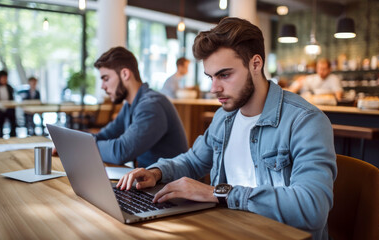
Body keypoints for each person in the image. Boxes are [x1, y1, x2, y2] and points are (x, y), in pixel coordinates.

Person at [117, 18, 337, 239]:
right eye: (211, 77)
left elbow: (312, 208)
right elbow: (194, 161)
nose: (214, 88)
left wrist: (217, 193)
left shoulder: (305, 122)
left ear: (256, 64)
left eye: (224, 75)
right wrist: (156, 172)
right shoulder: (224, 117)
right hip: (226, 229)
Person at [55, 46, 188, 168]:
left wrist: (79, 147)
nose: (103, 86)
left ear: (125, 74)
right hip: (149, 183)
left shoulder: (152, 106)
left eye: (106, 78)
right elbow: (106, 135)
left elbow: (121, 151)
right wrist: (70, 144)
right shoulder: (130, 104)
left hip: (167, 187)